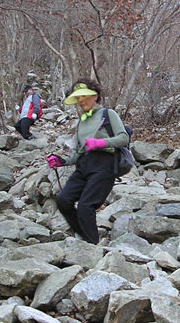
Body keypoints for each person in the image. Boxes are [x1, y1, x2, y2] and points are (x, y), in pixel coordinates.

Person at [46, 78, 129, 244]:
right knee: (63, 200)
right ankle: (84, 235)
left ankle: (92, 245)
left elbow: (124, 138)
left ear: (95, 96)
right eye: (78, 97)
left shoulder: (108, 114)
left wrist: (100, 142)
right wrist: (61, 161)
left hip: (104, 164)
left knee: (85, 205)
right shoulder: (81, 122)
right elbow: (78, 152)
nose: (81, 100)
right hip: (83, 165)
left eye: (84, 95)